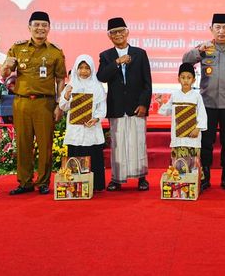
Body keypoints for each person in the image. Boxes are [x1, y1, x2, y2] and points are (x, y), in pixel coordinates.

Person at [182, 13, 225, 191]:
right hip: (207, 105)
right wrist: (199, 51)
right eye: (217, 28)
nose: (221, 31)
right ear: (211, 29)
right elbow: (186, 60)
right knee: (206, 142)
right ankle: (205, 176)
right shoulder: (205, 47)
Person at [1, 11, 66, 195]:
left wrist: (59, 105)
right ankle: (25, 182)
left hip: (44, 103)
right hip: (21, 102)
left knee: (45, 144)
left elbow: (60, 79)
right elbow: (5, 74)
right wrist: (6, 66)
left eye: (44, 25)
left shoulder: (55, 51)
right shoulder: (17, 48)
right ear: (29, 27)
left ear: (49, 28)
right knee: (23, 143)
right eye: (36, 25)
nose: (40, 28)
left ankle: (44, 182)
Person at [96, 17, 152, 191]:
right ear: (109, 36)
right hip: (117, 106)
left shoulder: (140, 53)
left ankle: (141, 177)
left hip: (137, 107)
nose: (118, 35)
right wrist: (117, 63)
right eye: (114, 32)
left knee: (138, 142)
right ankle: (116, 179)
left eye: (121, 31)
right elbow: (101, 77)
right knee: (118, 144)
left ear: (127, 32)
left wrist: (143, 104)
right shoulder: (106, 56)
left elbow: (147, 83)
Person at [59, 54, 107, 192]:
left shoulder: (97, 87)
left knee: (94, 156)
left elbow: (102, 108)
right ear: (76, 69)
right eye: (80, 68)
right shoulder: (71, 85)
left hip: (92, 129)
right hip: (75, 130)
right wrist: (67, 96)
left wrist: (96, 118)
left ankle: (96, 186)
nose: (84, 71)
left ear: (92, 69)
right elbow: (63, 106)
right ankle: (76, 186)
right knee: (75, 156)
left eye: (87, 68)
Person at [157, 63, 208, 183]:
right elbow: (168, 110)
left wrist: (198, 128)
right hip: (178, 136)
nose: (186, 80)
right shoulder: (175, 95)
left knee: (193, 161)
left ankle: (194, 184)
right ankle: (179, 184)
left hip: (192, 136)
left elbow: (202, 114)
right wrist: (160, 103)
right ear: (178, 79)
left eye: (189, 77)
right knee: (178, 161)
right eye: (183, 77)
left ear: (194, 80)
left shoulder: (197, 96)